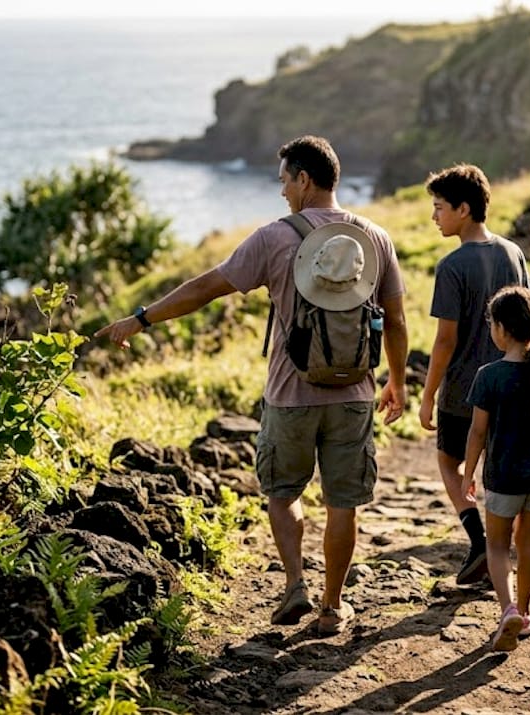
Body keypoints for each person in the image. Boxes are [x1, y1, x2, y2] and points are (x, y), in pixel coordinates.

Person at [95, 135, 408, 636]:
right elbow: (394, 319)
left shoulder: (275, 237)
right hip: (355, 394)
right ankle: (332, 606)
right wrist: (396, 379)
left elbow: (205, 288)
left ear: (304, 179)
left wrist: (141, 318)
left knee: (283, 492)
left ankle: (294, 586)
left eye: (285, 179)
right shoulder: (374, 238)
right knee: (342, 502)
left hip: (290, 395)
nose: (282, 190)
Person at [418, 163, 530, 585]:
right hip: (513, 384)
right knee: (499, 470)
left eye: (440, 208)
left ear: (463, 209)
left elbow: (445, 341)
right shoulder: (513, 253)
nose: (435, 217)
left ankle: (479, 541)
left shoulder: (452, 266)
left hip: (464, 390)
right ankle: (503, 554)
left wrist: (428, 394)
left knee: (450, 461)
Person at [461, 285, 530, 652]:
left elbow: (478, 432)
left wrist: (468, 474)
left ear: (502, 329)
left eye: (492, 323)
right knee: (528, 544)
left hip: (503, 477)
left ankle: (507, 608)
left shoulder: (489, 375)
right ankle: (524, 614)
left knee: (496, 545)